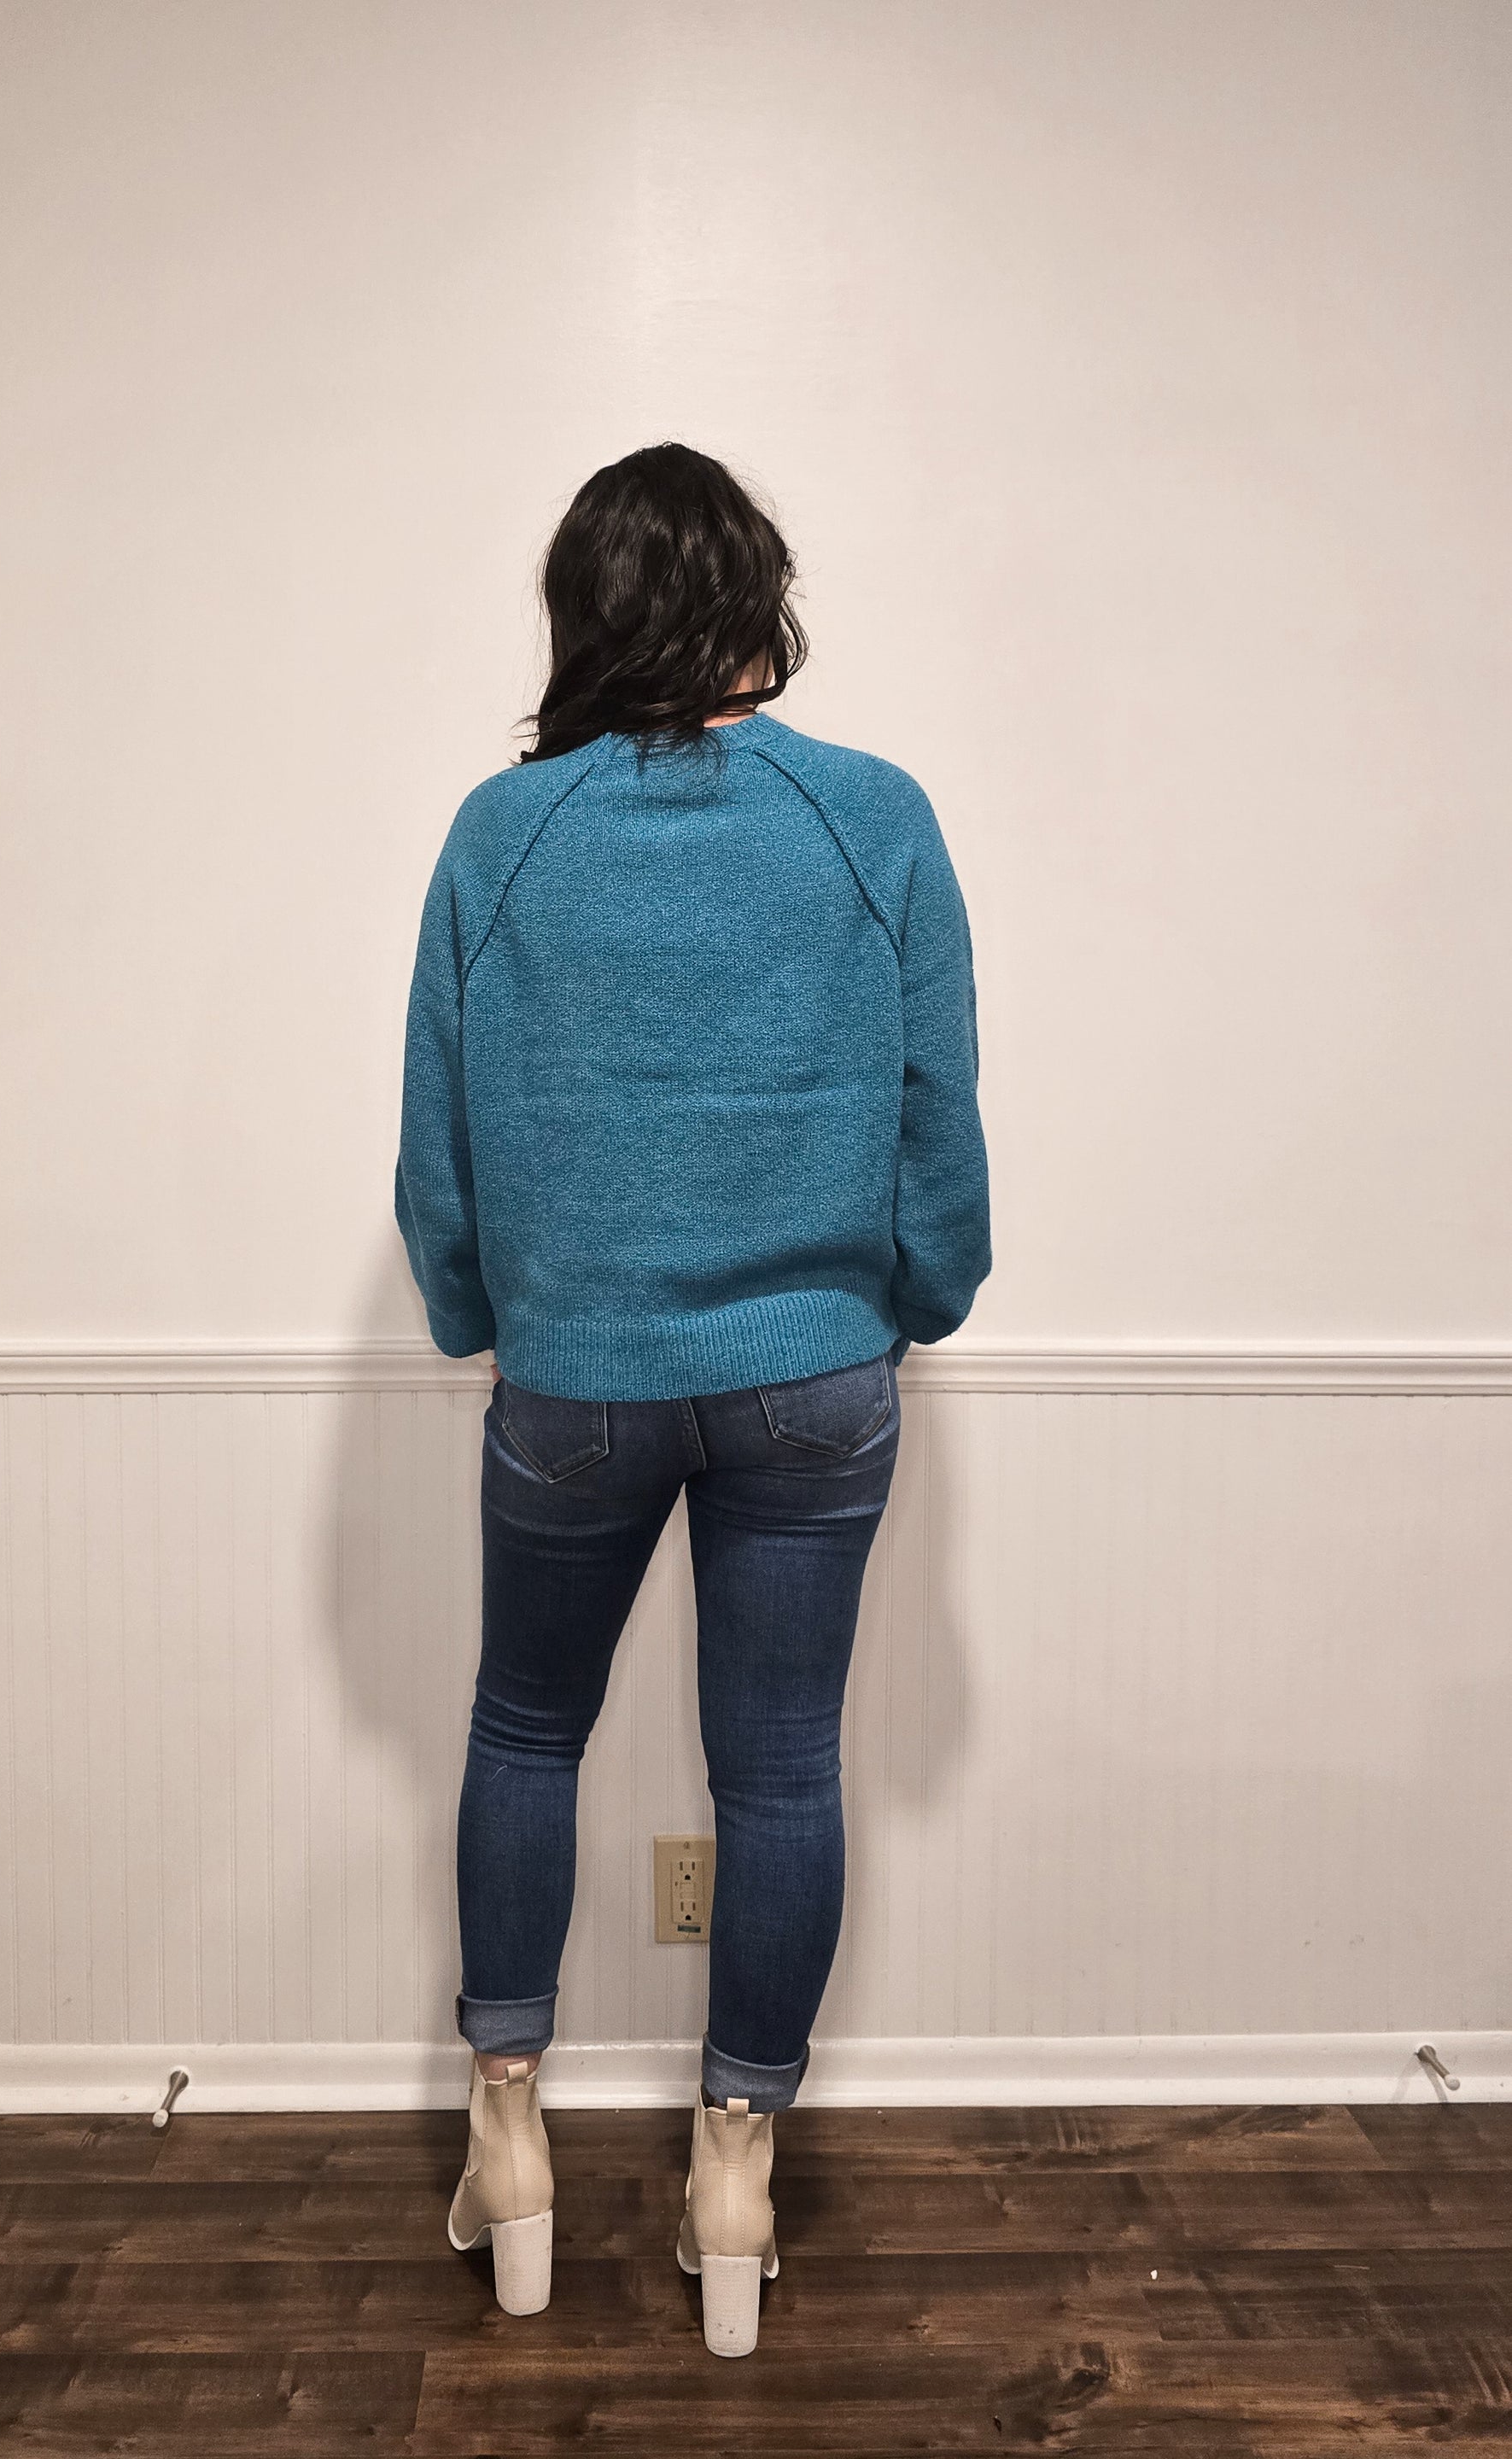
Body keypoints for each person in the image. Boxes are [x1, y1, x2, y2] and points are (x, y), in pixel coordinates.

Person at [394, 441, 990, 2355]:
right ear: (758, 602)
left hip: (574, 1379)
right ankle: (734, 2173)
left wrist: (485, 1316)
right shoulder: (870, 814)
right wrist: (912, 1299)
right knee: (784, 1770)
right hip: (813, 1377)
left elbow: (437, 1141)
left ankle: (510, 2142)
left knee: (523, 1734)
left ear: (585, 613)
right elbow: (938, 1113)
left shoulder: (507, 831)